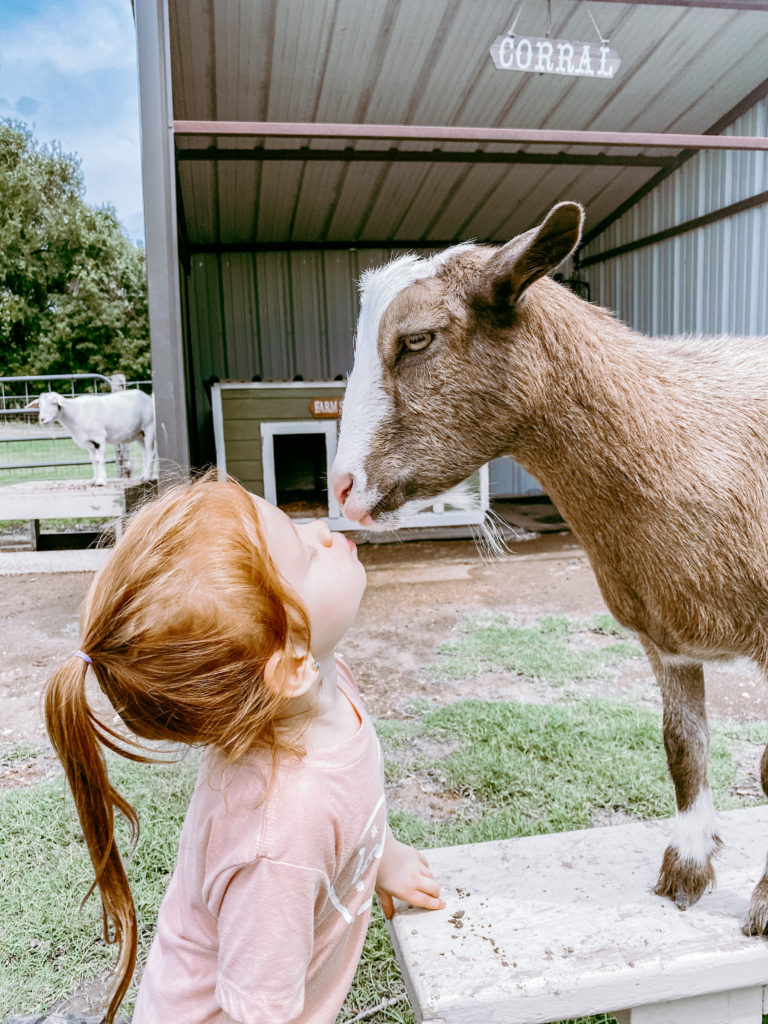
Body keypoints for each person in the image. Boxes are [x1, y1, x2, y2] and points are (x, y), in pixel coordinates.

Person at [44, 475, 444, 1024]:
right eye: (305, 556)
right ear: (290, 666)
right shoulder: (276, 839)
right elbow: (257, 1012)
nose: (320, 531)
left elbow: (357, 801)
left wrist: (384, 857)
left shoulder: (325, 682)